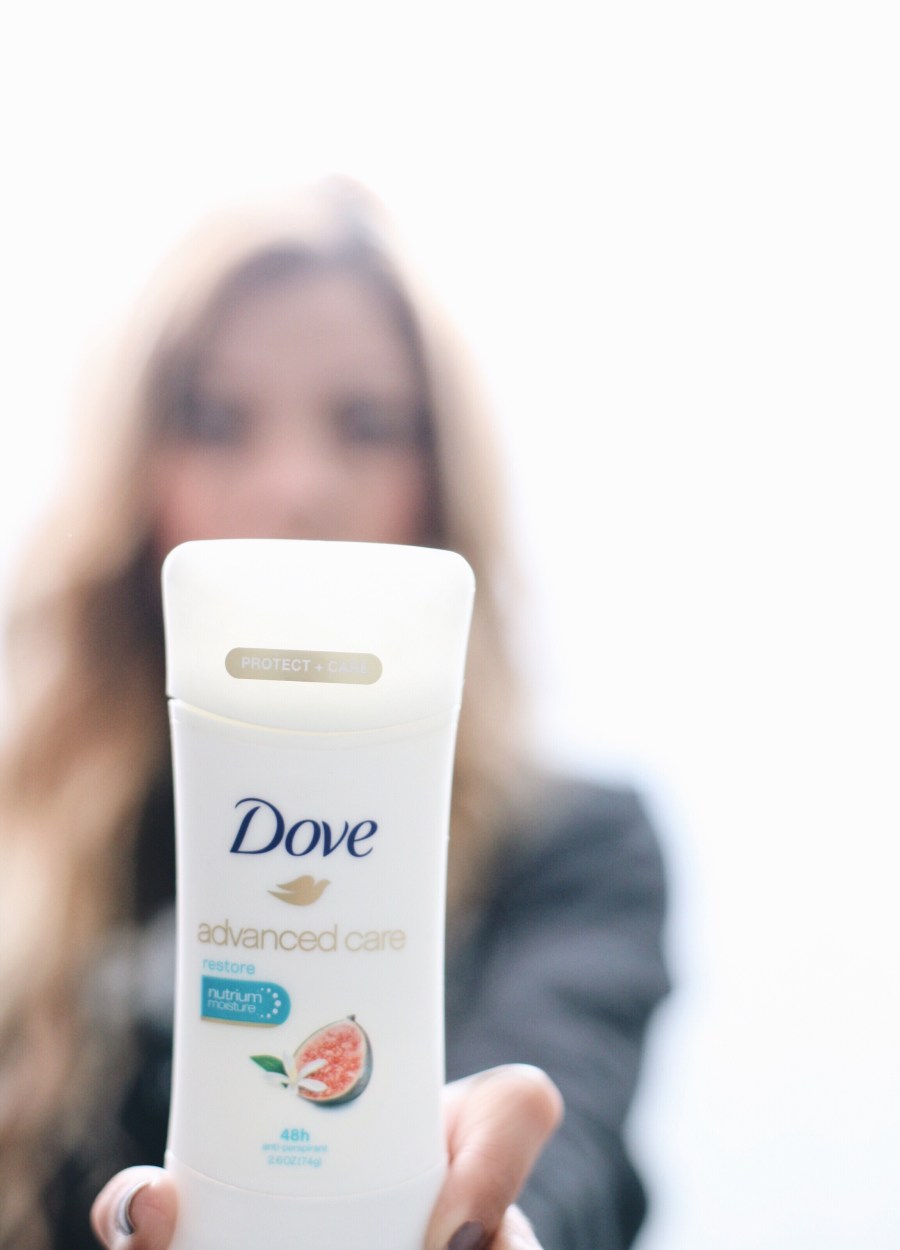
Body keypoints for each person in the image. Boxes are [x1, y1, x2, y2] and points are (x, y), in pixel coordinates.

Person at [0, 178, 669, 1250]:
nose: (296, 486)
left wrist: (497, 1212)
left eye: (364, 424)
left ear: (441, 476)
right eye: (218, 420)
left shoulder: (573, 849)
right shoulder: (22, 831)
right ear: (135, 478)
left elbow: (571, 1132)